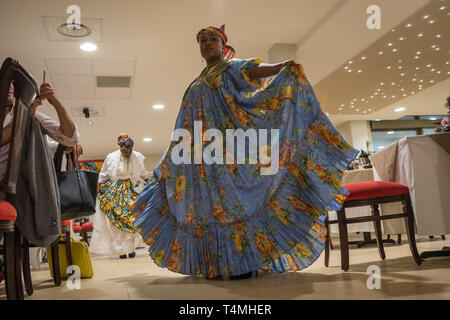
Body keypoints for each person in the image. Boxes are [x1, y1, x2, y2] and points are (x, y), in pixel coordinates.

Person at [131, 25, 359, 279]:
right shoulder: (197, 81)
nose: (207, 44)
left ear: (222, 44)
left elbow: (252, 71)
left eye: (212, 39)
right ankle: (216, 263)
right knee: (207, 206)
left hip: (228, 151)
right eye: (203, 41)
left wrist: (278, 68)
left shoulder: (230, 68)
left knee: (232, 205)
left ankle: (241, 263)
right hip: (200, 159)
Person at [0, 81, 81, 277]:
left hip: (21, 189)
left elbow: (70, 138)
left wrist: (54, 100)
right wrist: (25, 115)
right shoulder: (26, 114)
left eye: (14, 84)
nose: (11, 87)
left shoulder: (32, 115)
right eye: (6, 83)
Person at [90, 133, 149, 259]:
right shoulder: (111, 157)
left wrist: (150, 181)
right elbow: (103, 175)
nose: (128, 153)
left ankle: (131, 248)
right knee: (116, 222)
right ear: (120, 147)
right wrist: (99, 185)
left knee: (134, 219)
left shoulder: (137, 156)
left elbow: (143, 173)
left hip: (133, 189)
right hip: (115, 191)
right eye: (125, 151)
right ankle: (122, 251)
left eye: (130, 151)